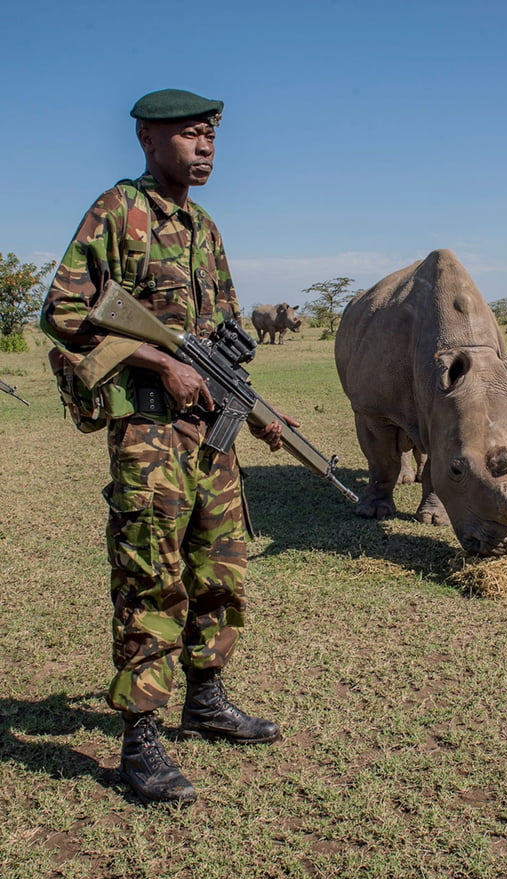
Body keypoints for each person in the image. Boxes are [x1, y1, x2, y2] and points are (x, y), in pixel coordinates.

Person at [41, 89, 294, 805]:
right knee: (151, 574)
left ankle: (207, 700)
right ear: (150, 141)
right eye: (190, 135)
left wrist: (244, 397)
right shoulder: (117, 211)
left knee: (222, 569)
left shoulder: (206, 227)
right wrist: (161, 362)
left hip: (208, 437)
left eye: (211, 136)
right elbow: (62, 311)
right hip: (149, 431)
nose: (206, 147)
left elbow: (225, 326)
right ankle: (140, 739)